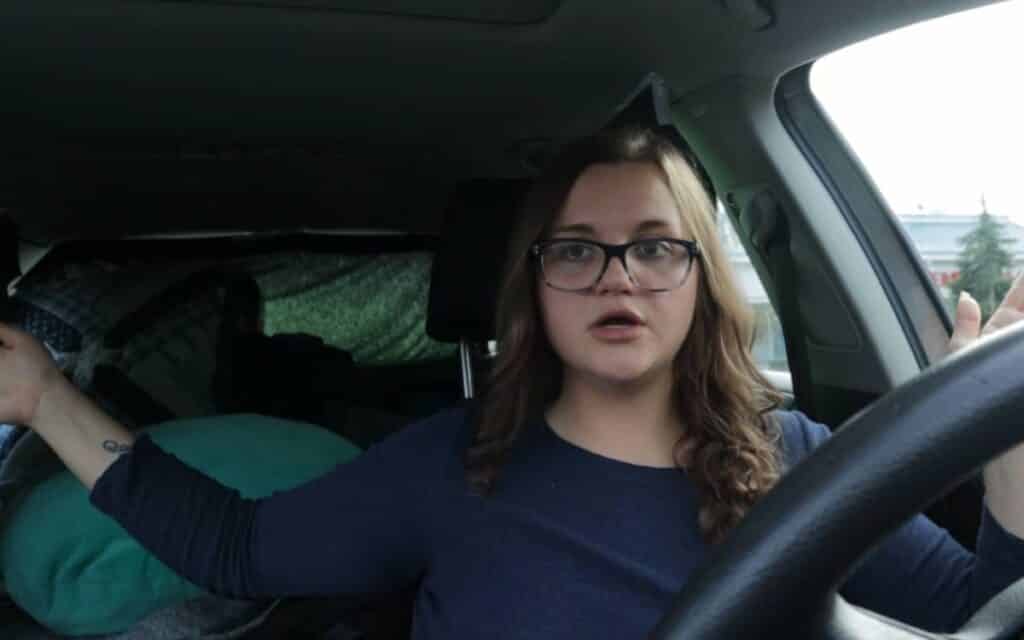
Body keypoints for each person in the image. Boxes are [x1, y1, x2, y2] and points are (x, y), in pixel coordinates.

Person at [2, 127, 1024, 638]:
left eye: (653, 247)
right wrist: (46, 396)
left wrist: (1008, 450)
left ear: (700, 282)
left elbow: (977, 613)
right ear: (533, 288)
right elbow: (232, 547)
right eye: (576, 250)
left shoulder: (801, 461)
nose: (617, 275)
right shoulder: (454, 464)